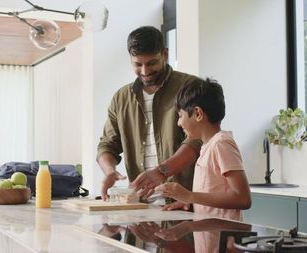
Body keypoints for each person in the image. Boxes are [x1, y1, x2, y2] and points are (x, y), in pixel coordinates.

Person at [97, 26, 202, 201]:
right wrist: (109, 171)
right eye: (138, 64)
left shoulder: (190, 87)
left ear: (165, 54)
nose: (145, 71)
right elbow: (107, 145)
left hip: (184, 202)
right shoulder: (121, 98)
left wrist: (162, 171)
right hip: (141, 203)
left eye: (152, 63)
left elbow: (197, 139)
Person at [143, 78, 252, 220]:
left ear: (198, 114)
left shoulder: (221, 144)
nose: (178, 123)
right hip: (208, 237)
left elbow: (243, 198)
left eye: (180, 116)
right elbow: (214, 193)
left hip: (222, 239)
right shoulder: (207, 146)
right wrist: (190, 201)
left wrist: (190, 196)